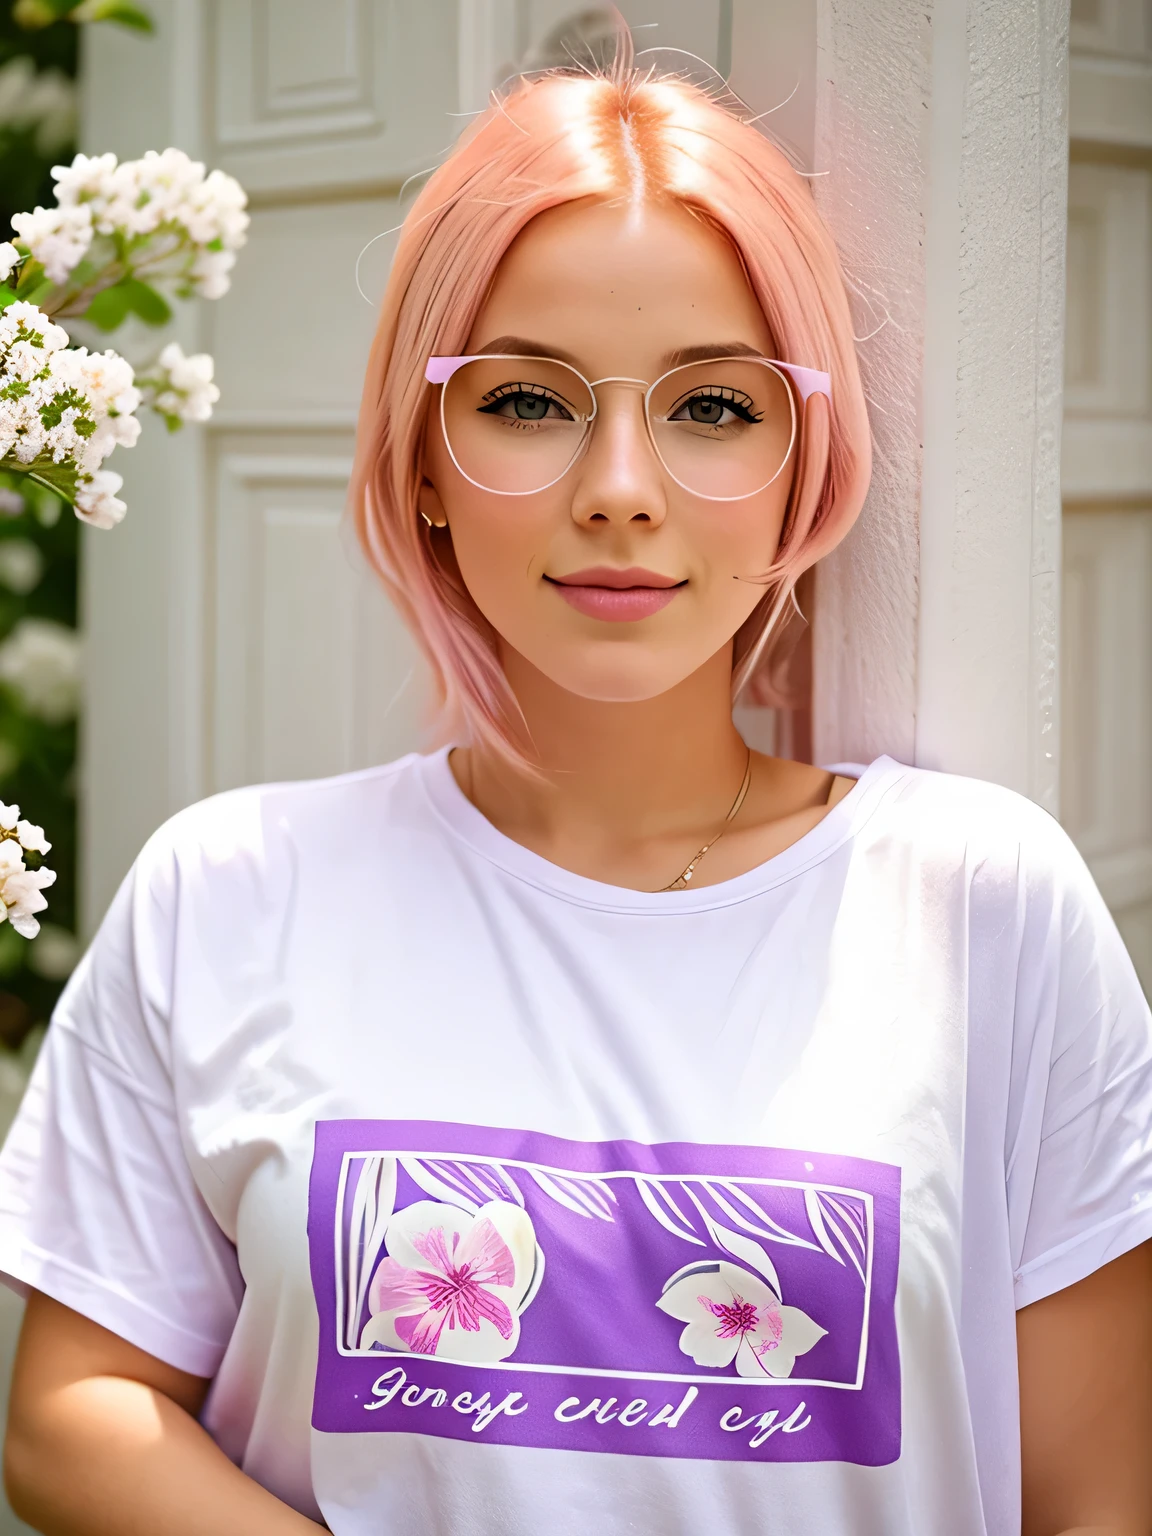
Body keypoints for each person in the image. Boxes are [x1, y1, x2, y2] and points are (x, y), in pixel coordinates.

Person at [0, 53, 1150, 1536]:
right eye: (532, 400)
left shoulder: (986, 902)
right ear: (426, 456)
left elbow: (1094, 1498)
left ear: (807, 459)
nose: (619, 485)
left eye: (714, 408)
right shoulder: (229, 891)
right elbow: (70, 1409)